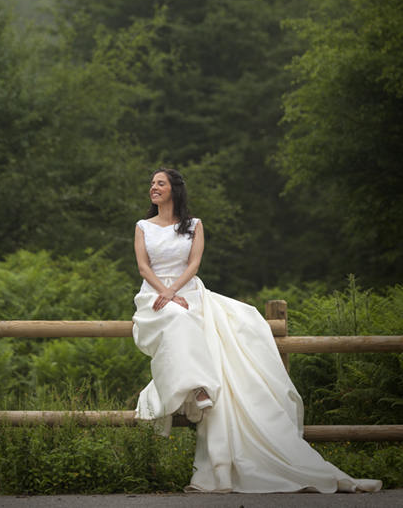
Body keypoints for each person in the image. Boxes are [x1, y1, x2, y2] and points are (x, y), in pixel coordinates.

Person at [132, 167, 382, 494]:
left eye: (159, 183)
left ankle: (204, 392)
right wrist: (164, 293)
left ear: (174, 190)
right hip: (154, 297)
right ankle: (198, 389)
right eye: (152, 183)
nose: (153, 187)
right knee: (179, 319)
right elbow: (143, 266)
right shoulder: (143, 227)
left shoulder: (193, 226)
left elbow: (193, 265)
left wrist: (177, 290)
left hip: (189, 291)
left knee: (230, 319)